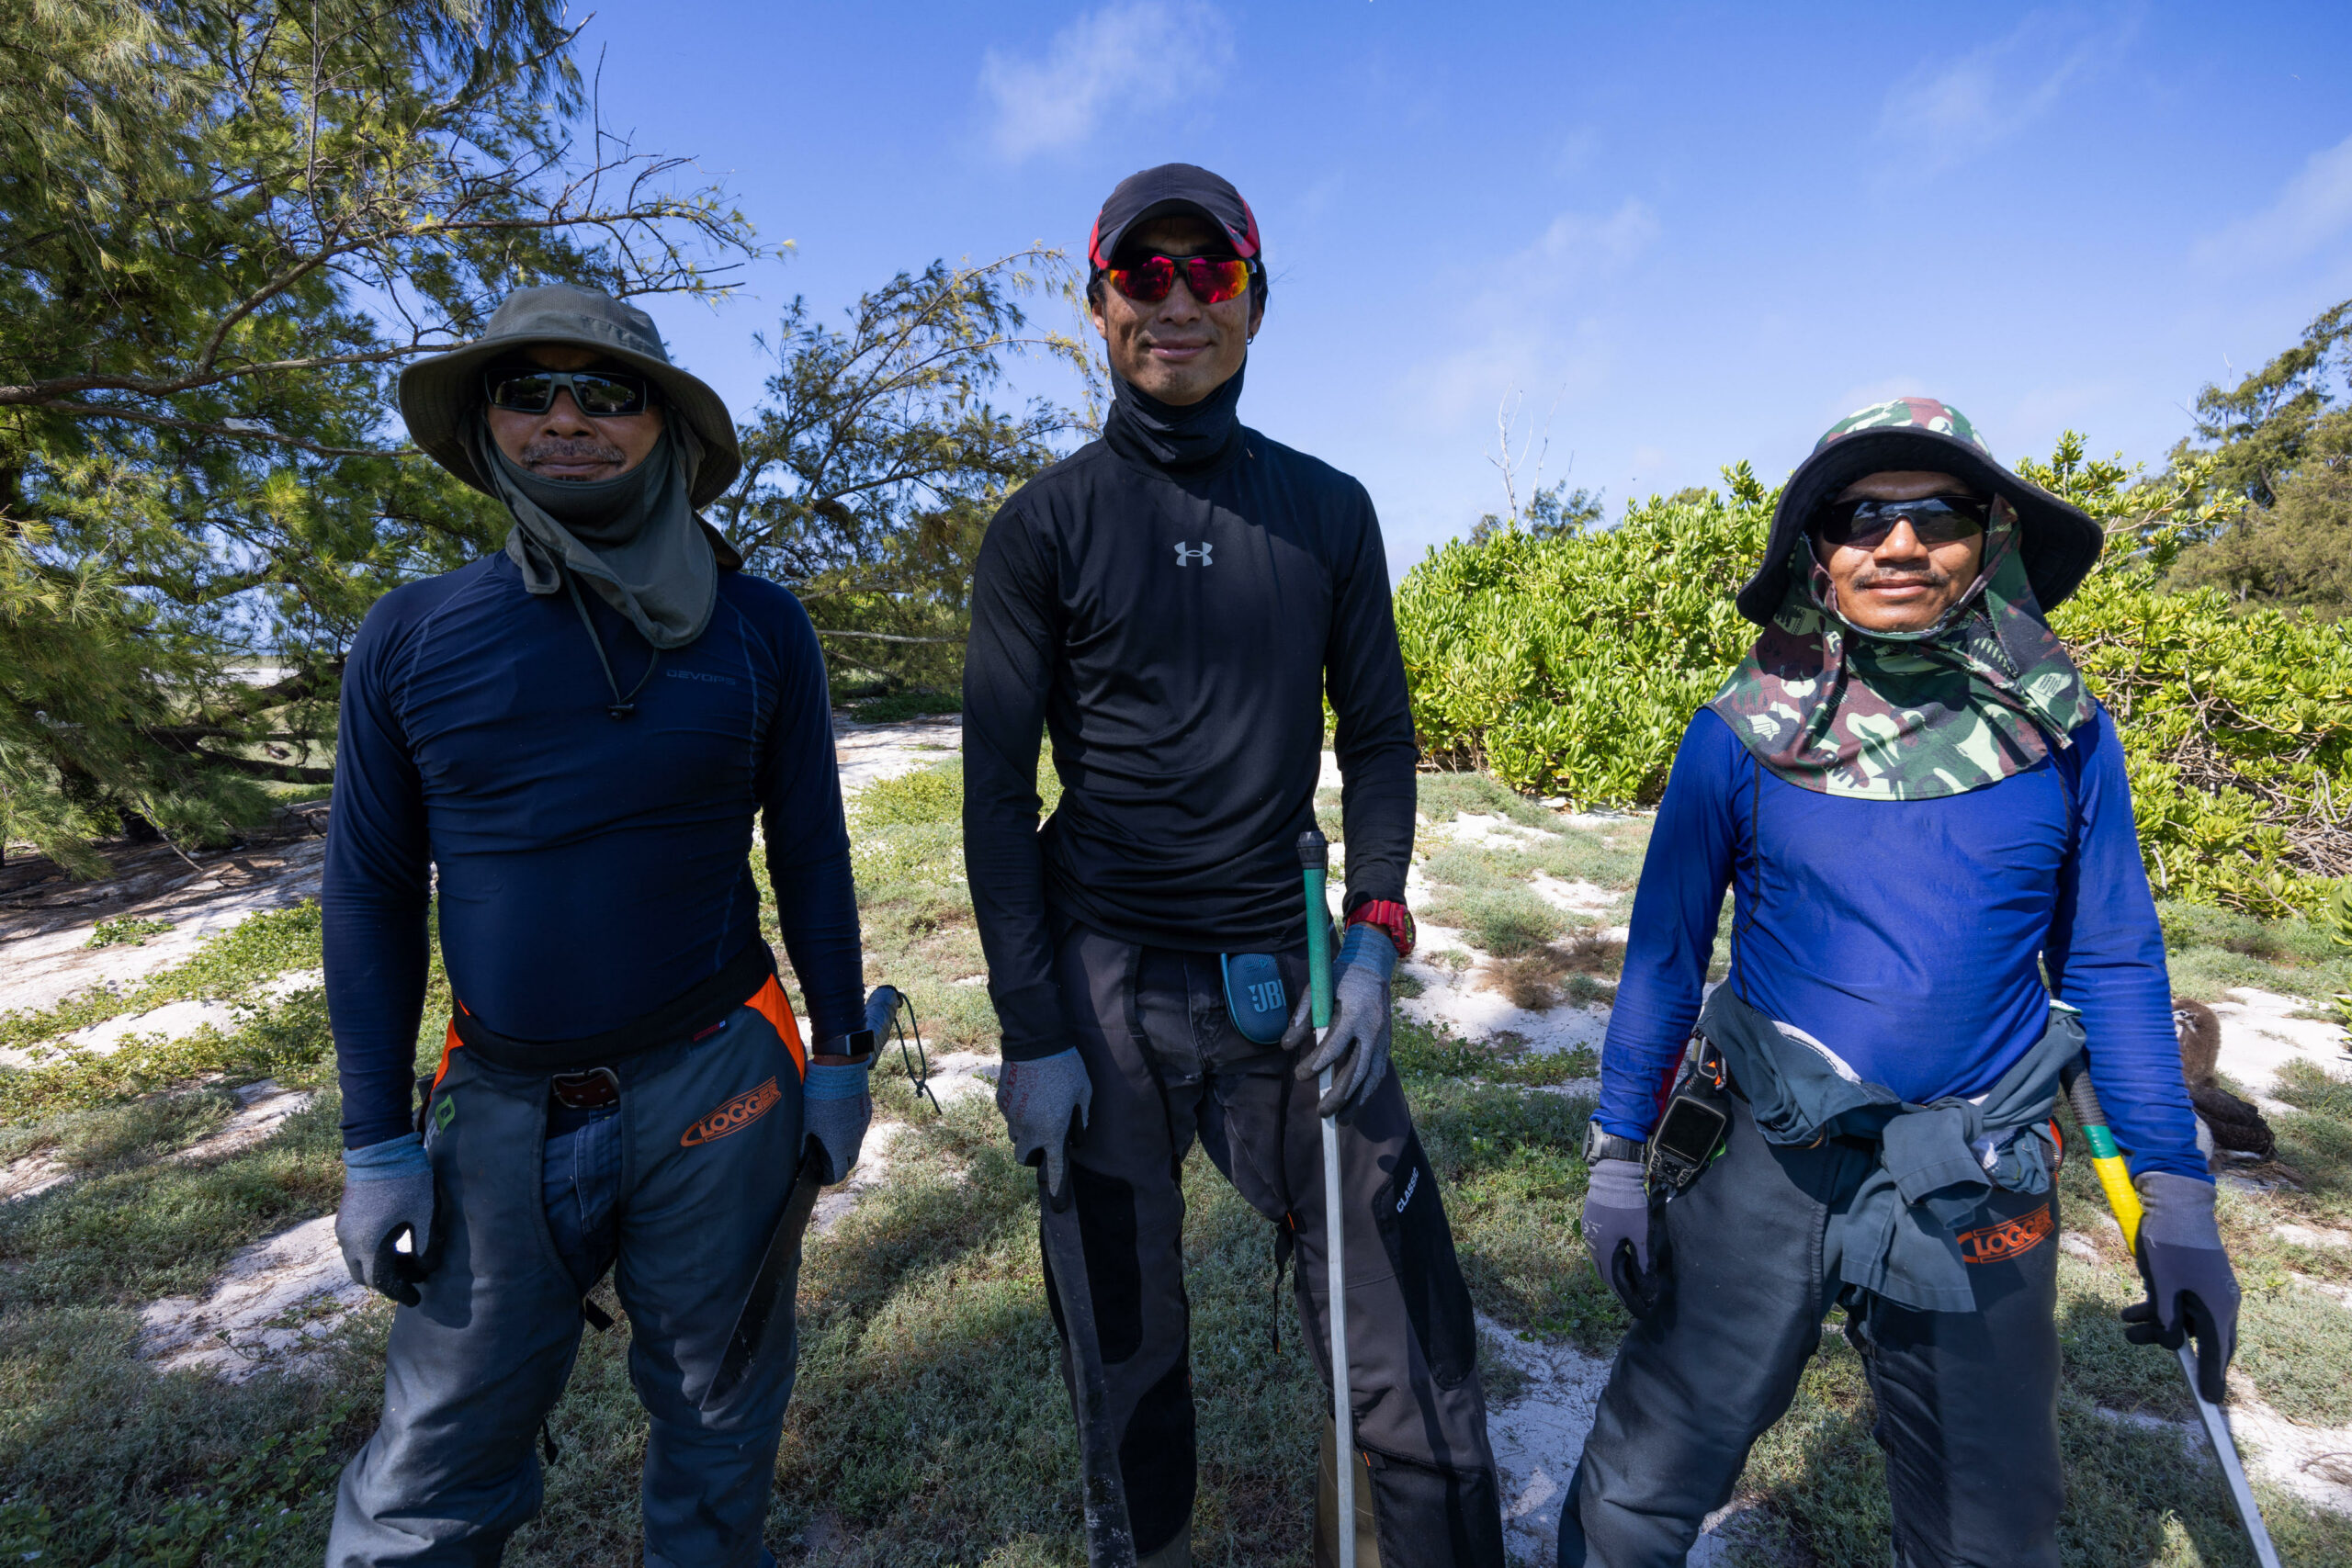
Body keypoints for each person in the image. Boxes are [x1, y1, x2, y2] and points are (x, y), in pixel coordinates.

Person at [1563, 399, 2242, 1567]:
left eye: (1938, 514)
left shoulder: (2067, 737)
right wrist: (1620, 1155)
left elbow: (2113, 965)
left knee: (1991, 1536)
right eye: (1859, 517)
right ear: (1813, 552)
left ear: (1990, 539)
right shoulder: (1739, 736)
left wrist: (2175, 1202)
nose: (1899, 543)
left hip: (1979, 1171)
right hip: (1764, 1155)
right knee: (1638, 1490)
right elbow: (1665, 952)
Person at [964, 164, 1505, 1568]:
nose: (1176, 302)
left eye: (1210, 274)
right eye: (1143, 274)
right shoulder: (1041, 527)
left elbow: (1378, 740)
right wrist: (1032, 1034)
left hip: (1292, 967)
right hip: (1102, 976)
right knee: (1124, 1340)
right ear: (1097, 304)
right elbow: (994, 798)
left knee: (1410, 1328)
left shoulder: (1327, 510)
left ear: (1256, 304)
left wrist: (1373, 937)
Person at [323, 284, 882, 1568]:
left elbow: (812, 851)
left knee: (718, 1420)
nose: (566, 418)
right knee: (429, 1463)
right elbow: (369, 888)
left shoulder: (761, 627)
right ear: (487, 423)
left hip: (721, 1083)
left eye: (607, 391)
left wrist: (841, 1058)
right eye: (529, 391)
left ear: (664, 425)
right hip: (497, 1103)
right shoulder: (408, 635)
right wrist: (373, 1141)